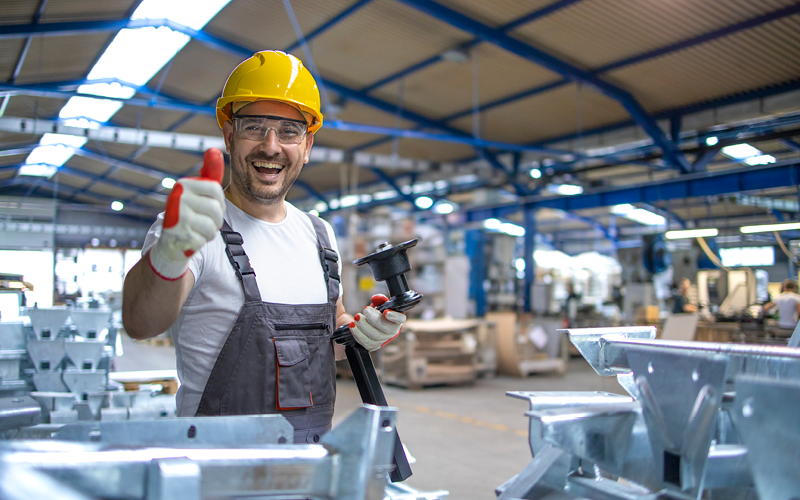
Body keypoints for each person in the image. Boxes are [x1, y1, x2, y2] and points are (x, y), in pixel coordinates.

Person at [122, 50, 406, 443]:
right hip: (216, 474)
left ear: (306, 146)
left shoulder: (319, 234)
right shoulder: (193, 228)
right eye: (254, 127)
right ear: (228, 135)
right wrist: (171, 251)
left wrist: (359, 335)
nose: (271, 146)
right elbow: (140, 324)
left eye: (289, 131)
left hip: (307, 468)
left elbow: (328, 336)